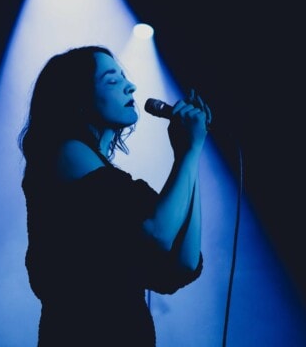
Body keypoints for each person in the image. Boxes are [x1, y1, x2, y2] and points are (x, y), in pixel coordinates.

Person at [17, 45, 212, 346]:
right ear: (78, 98)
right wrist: (188, 153)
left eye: (124, 77)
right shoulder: (65, 153)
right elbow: (158, 232)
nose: (130, 86)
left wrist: (190, 153)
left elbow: (183, 262)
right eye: (112, 80)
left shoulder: (111, 188)